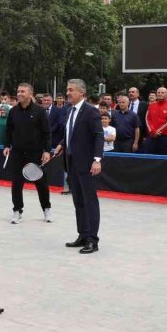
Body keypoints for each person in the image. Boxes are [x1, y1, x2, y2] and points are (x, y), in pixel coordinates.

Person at [54, 79, 104, 254]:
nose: (67, 93)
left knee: (90, 201)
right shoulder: (69, 111)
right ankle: (82, 234)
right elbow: (71, 132)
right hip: (71, 162)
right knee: (78, 201)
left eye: (71, 90)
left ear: (81, 92)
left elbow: (98, 135)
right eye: (67, 89)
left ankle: (92, 240)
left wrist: (97, 159)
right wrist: (62, 144)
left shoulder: (91, 111)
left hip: (87, 163)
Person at [3, 83, 52, 224]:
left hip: (35, 154)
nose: (19, 93)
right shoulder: (13, 111)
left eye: (22, 91)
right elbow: (8, 131)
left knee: (41, 183)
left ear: (30, 93)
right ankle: (17, 211)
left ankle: (46, 209)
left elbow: (46, 133)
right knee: (16, 184)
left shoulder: (40, 111)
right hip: (17, 153)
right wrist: (6, 145)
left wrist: (47, 151)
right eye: (18, 91)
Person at [144, 87, 167, 154]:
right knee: (150, 159)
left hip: (165, 137)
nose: (160, 94)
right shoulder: (151, 105)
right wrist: (152, 131)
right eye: (158, 92)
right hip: (152, 136)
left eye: (162, 92)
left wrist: (159, 131)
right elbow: (147, 119)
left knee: (164, 160)